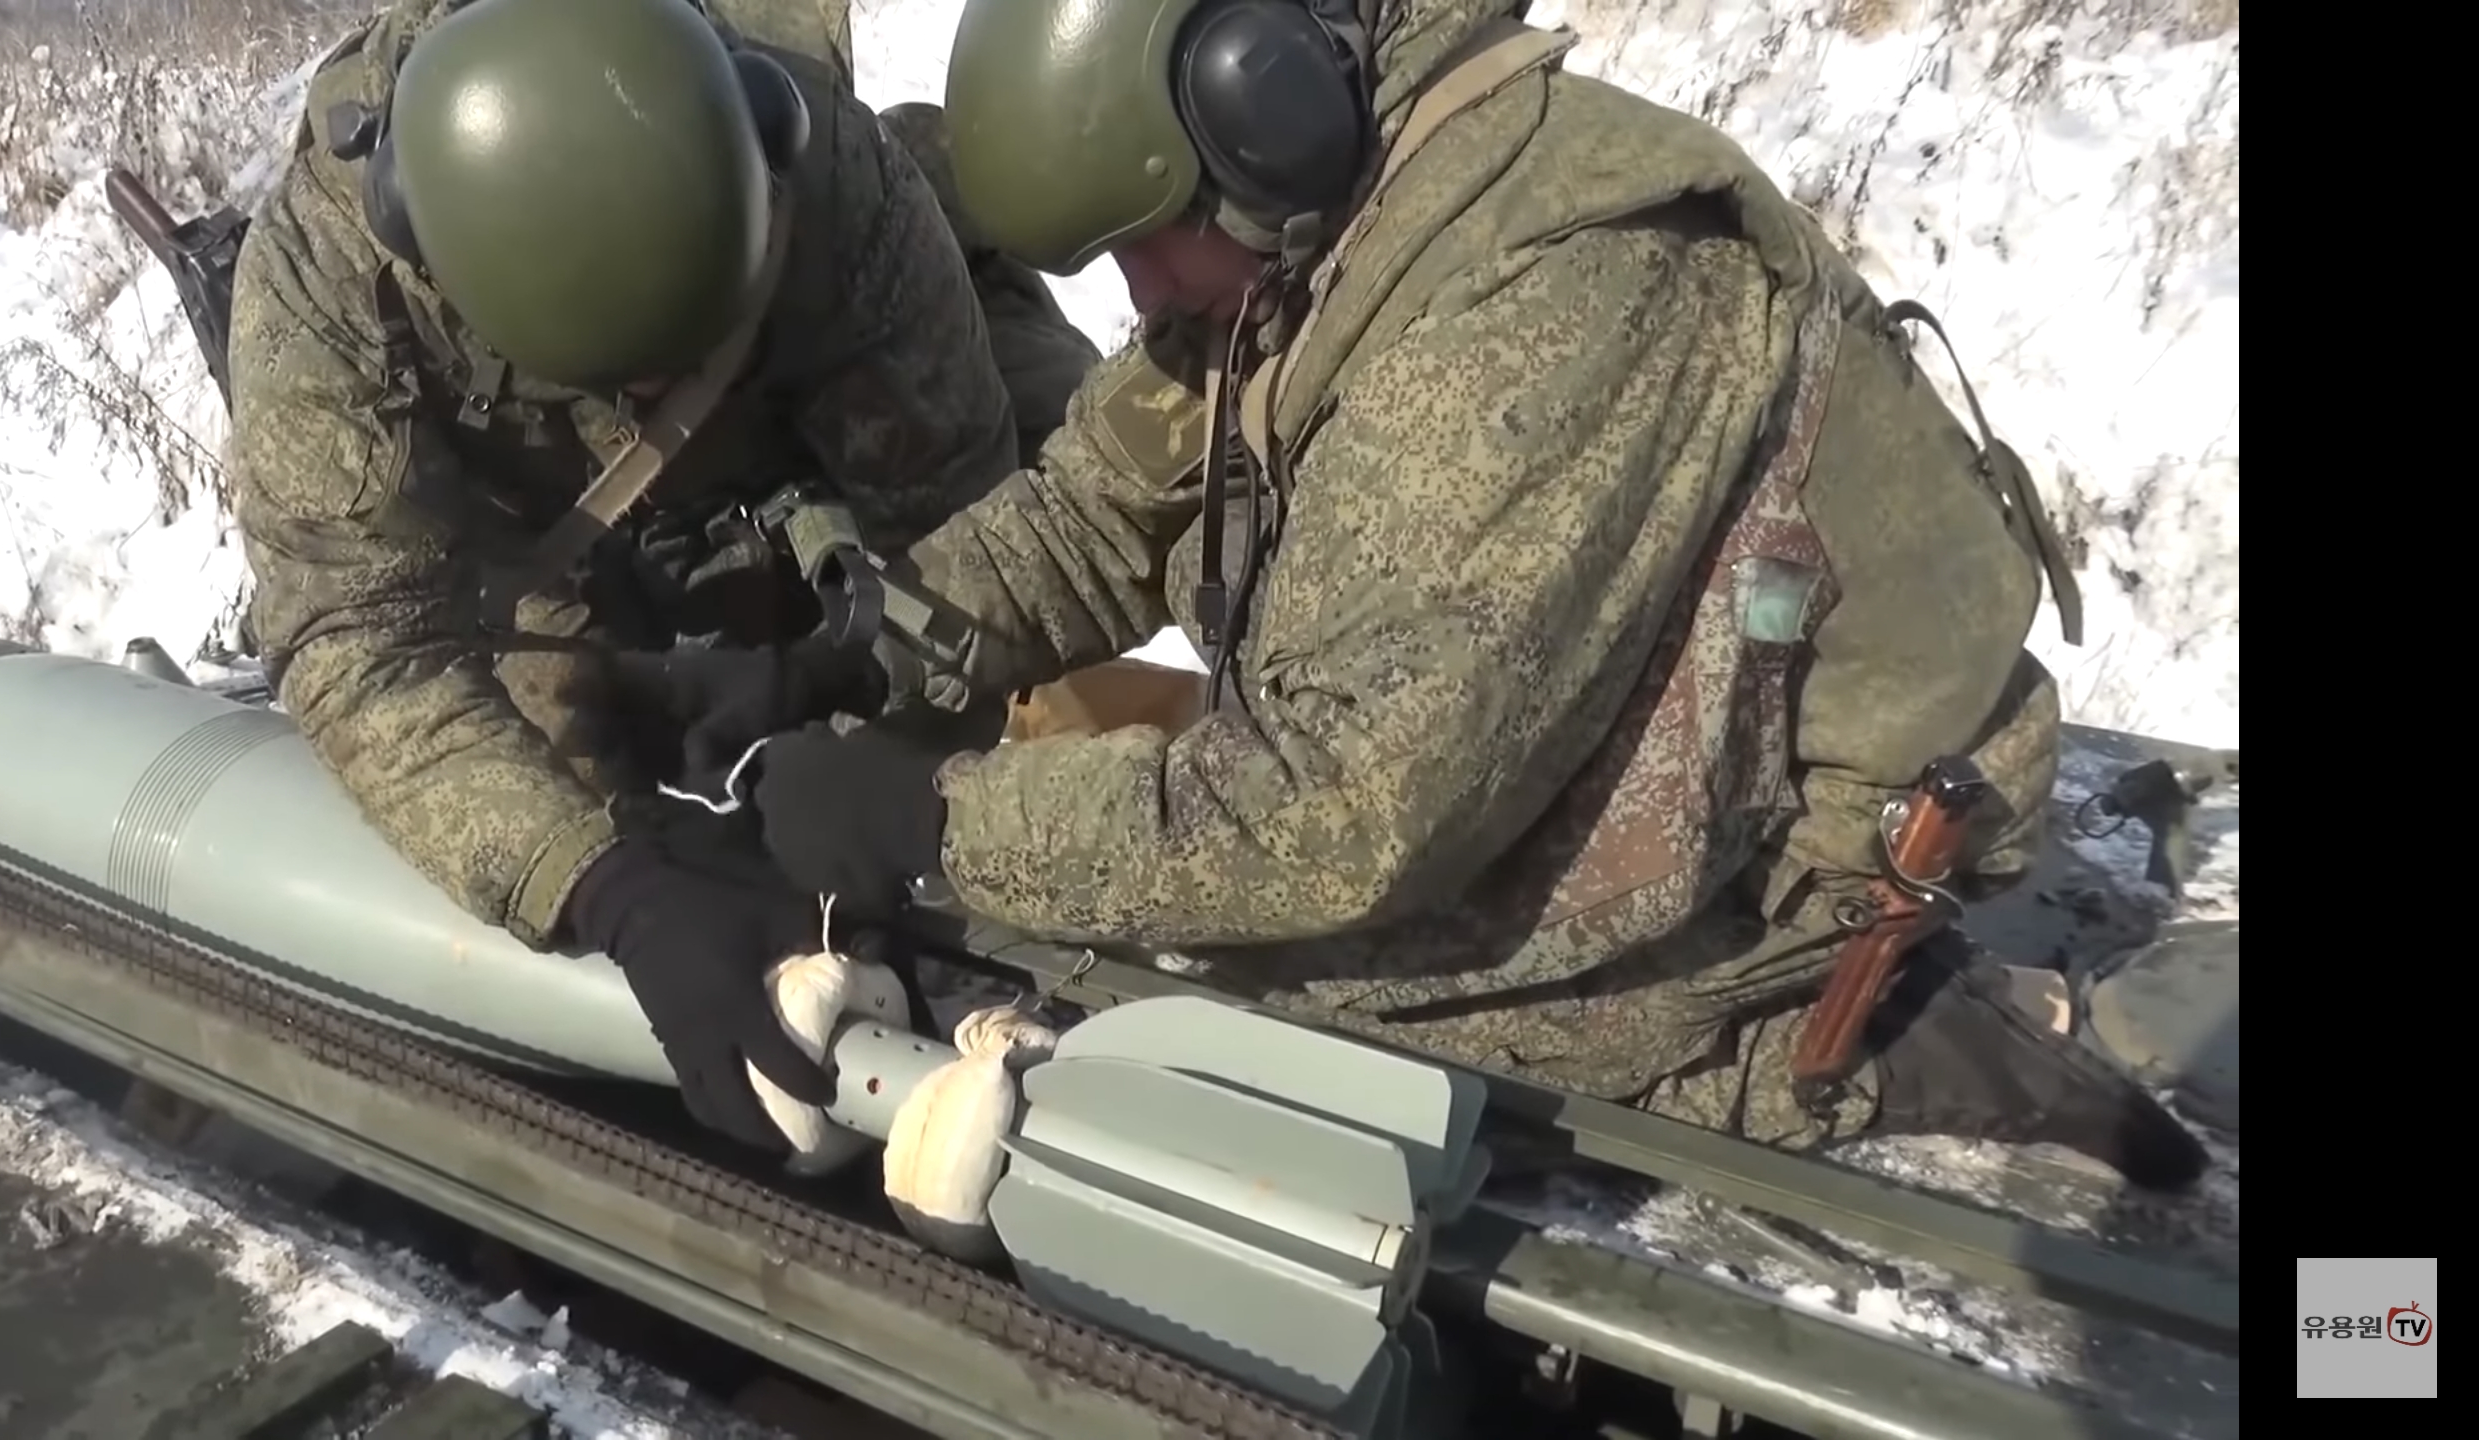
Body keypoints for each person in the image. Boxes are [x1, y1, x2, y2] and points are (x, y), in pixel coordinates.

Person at [625, 0, 2207, 1189]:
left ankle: (1872, 1032)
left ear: (1259, 103)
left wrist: (934, 827)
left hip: (1795, 850)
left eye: (1146, 243)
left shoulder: (1550, 290)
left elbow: (1337, 815)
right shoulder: (1314, 230)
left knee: (1261, 998)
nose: (1139, 296)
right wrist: (856, 655)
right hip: (1568, 712)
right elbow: (1098, 513)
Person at [221, 0, 1098, 1154]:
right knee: (546, 803)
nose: (644, 398)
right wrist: (605, 887)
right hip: (527, 534)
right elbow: (359, 645)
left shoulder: (843, 184)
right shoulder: (326, 281)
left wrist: (863, 701)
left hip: (795, 452)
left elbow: (970, 535)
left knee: (1058, 481)